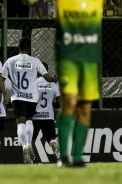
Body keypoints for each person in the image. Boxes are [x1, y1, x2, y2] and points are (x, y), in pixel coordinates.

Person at [55, 0, 103, 167]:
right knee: (70, 100)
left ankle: (77, 158)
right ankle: (63, 156)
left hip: (89, 60)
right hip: (68, 57)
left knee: (85, 108)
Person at [2, 37, 56, 164]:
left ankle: (25, 146)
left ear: (18, 47)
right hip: (32, 97)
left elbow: (2, 78)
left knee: (20, 122)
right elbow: (47, 78)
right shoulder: (35, 61)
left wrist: (5, 93)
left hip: (18, 96)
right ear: (30, 48)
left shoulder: (10, 61)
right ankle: (29, 145)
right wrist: (55, 79)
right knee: (29, 121)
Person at [31, 62, 61, 160]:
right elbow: (59, 101)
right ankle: (53, 143)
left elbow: (31, 99)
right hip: (48, 116)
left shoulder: (34, 83)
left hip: (35, 116)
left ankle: (30, 157)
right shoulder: (52, 83)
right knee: (50, 137)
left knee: (31, 138)